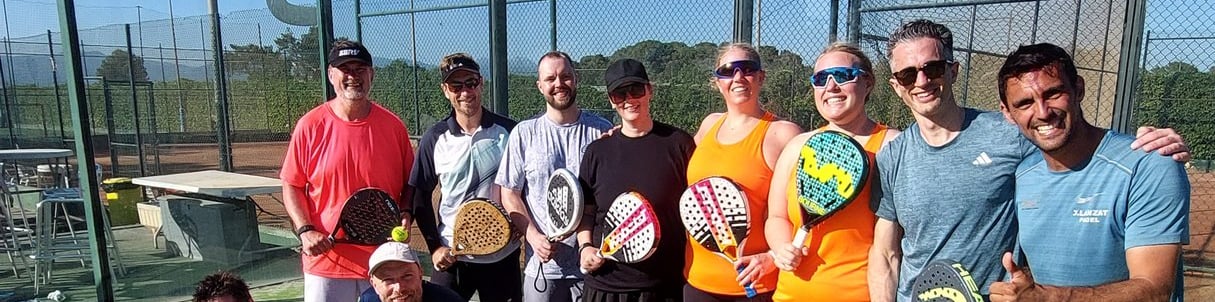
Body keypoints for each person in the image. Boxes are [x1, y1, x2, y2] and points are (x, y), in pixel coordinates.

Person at [867, 20, 1190, 302]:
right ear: (896, 85)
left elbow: (1074, 141)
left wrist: (1150, 144)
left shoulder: (1011, 132)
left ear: (953, 70)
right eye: (908, 74)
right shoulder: (893, 155)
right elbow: (886, 251)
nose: (921, 81)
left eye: (932, 68)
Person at [986, 43, 1189, 302]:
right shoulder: (1023, 174)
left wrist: (1046, 298)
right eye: (1025, 103)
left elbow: (1154, 290)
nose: (1042, 112)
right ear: (1008, 112)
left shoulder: (1149, 165)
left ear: (1078, 89)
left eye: (1053, 93)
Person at [764, 42, 900, 302]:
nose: (830, 87)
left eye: (842, 75)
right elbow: (776, 216)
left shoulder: (891, 144)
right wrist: (781, 248)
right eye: (820, 79)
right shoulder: (798, 146)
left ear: (868, 83)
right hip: (789, 295)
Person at [281, 39, 415, 301]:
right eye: (346, 69)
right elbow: (291, 184)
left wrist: (406, 212)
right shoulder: (310, 125)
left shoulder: (393, 126)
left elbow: (409, 183)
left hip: (383, 262)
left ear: (371, 75)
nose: (353, 76)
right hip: (326, 264)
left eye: (360, 69)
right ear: (332, 75)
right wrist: (306, 230)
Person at [683, 43, 802, 301]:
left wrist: (772, 257)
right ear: (716, 81)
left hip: (755, 288)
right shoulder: (709, 125)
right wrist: (624, 132)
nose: (738, 77)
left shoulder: (784, 133)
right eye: (727, 71)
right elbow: (669, 156)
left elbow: (803, 212)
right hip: (696, 282)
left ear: (761, 77)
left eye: (747, 69)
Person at [496, 51, 614, 302]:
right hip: (542, 270)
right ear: (540, 86)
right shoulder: (524, 133)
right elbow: (509, 193)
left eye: (565, 76)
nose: (559, 83)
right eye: (550, 78)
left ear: (576, 79)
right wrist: (534, 236)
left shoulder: (602, 131)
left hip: (593, 267)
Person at [575, 58, 694, 301]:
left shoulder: (679, 144)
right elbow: (587, 213)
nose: (629, 99)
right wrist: (586, 247)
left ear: (650, 91)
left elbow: (695, 208)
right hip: (606, 284)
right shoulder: (597, 152)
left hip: (664, 285)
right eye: (619, 94)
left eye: (636, 89)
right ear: (611, 100)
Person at [409, 53, 522, 302]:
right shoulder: (434, 138)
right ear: (445, 90)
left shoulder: (510, 132)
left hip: (502, 255)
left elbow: (528, 184)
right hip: (453, 256)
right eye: (455, 86)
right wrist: (435, 247)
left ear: (481, 83)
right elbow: (419, 195)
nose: (465, 92)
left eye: (470, 83)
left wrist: (522, 221)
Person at [359, 242, 464, 302]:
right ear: (374, 284)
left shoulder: (448, 300)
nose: (399, 288)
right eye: (388, 279)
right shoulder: (368, 299)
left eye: (407, 276)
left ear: (420, 274)